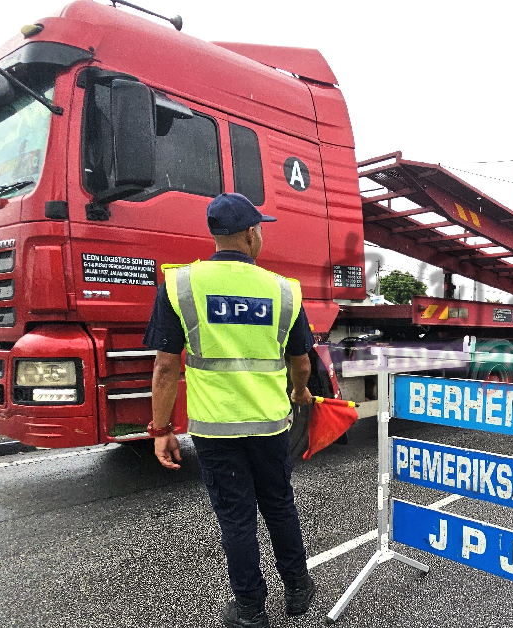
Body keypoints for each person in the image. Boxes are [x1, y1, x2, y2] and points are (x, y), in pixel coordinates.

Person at [143, 193, 317, 626]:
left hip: (215, 430)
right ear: (251, 234)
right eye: (260, 229)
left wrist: (161, 428)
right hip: (270, 426)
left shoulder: (180, 285)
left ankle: (250, 610)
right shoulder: (283, 289)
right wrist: (301, 394)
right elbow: (301, 361)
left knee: (236, 518)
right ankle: (297, 589)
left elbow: (166, 366)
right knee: (278, 506)